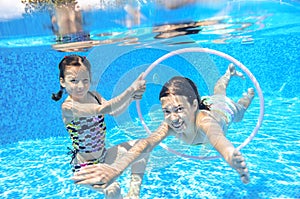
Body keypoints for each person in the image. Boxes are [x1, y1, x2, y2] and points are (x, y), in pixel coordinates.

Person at [71, 63, 254, 189]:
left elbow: (219, 139)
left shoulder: (205, 122)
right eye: (167, 111)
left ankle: (247, 95)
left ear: (193, 106)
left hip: (222, 110)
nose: (173, 118)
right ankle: (228, 73)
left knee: (237, 107)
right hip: (203, 101)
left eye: (178, 109)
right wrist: (116, 169)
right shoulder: (171, 123)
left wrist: (231, 156)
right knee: (217, 92)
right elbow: (145, 144)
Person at [52, 55, 149, 199]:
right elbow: (102, 110)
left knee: (143, 146)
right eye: (73, 81)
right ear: (63, 82)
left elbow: (115, 111)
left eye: (85, 80)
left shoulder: (95, 96)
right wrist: (130, 90)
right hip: (85, 167)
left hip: (104, 156)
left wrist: (132, 98)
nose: (80, 86)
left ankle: (134, 195)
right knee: (113, 189)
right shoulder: (68, 107)